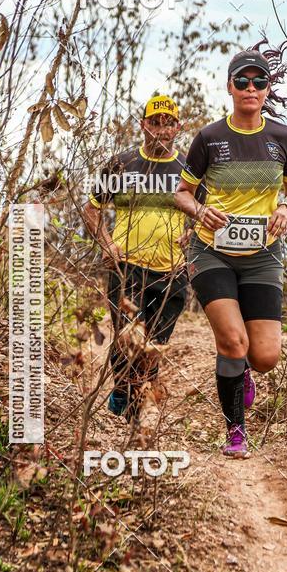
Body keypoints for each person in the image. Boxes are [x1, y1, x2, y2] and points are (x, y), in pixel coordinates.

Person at [175, 46, 287, 458]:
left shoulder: (283, 138)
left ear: (267, 89)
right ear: (230, 87)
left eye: (259, 81)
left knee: (264, 356)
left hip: (263, 254)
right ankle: (235, 432)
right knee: (233, 341)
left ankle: (243, 369)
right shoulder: (210, 138)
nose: (251, 88)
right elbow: (182, 193)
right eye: (243, 81)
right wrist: (200, 209)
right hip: (212, 250)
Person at [83, 95, 188, 421]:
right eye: (154, 122)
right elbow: (91, 210)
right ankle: (132, 406)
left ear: (177, 127)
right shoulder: (121, 164)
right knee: (129, 338)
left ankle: (127, 393)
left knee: (154, 345)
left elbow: (207, 213)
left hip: (172, 271)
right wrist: (106, 244)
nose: (160, 129)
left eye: (167, 123)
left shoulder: (189, 169)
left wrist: (194, 237)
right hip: (126, 267)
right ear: (143, 125)